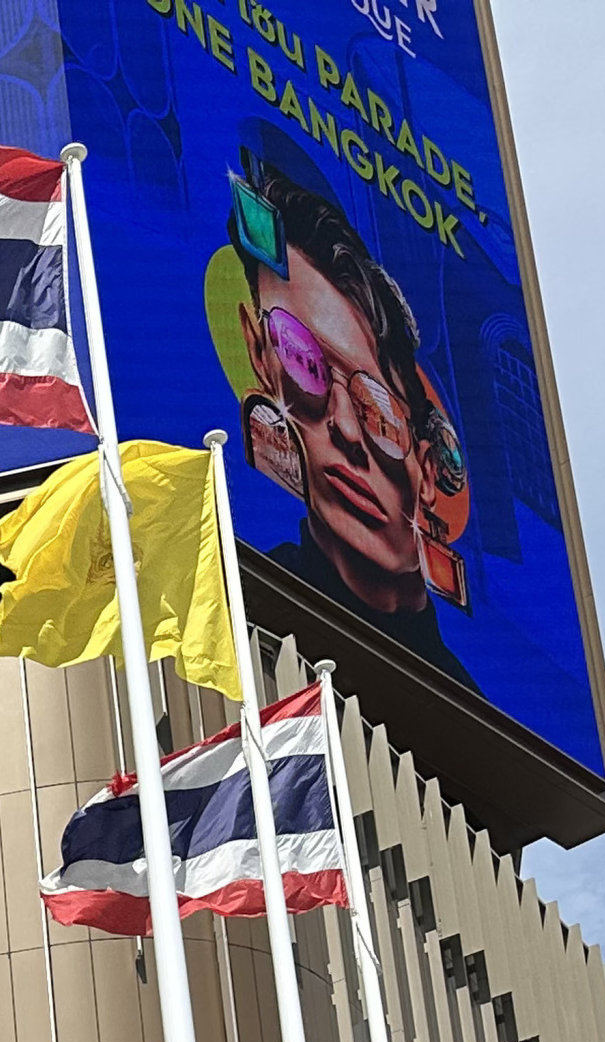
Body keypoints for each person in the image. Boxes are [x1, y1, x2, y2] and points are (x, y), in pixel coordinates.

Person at [225, 139, 469, 680]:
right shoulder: (233, 611)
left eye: (375, 408)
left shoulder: (472, 707)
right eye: (301, 361)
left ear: (429, 471)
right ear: (262, 361)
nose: (343, 428)